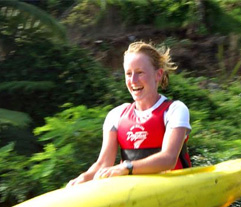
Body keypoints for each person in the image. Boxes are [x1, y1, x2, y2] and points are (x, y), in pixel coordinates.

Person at [68, 41, 191, 187]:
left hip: (172, 188)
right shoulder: (116, 115)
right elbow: (103, 163)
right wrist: (83, 178)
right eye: (128, 73)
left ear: (158, 75)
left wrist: (126, 167)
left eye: (140, 73)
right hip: (132, 191)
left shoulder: (175, 110)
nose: (133, 81)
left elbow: (169, 159)